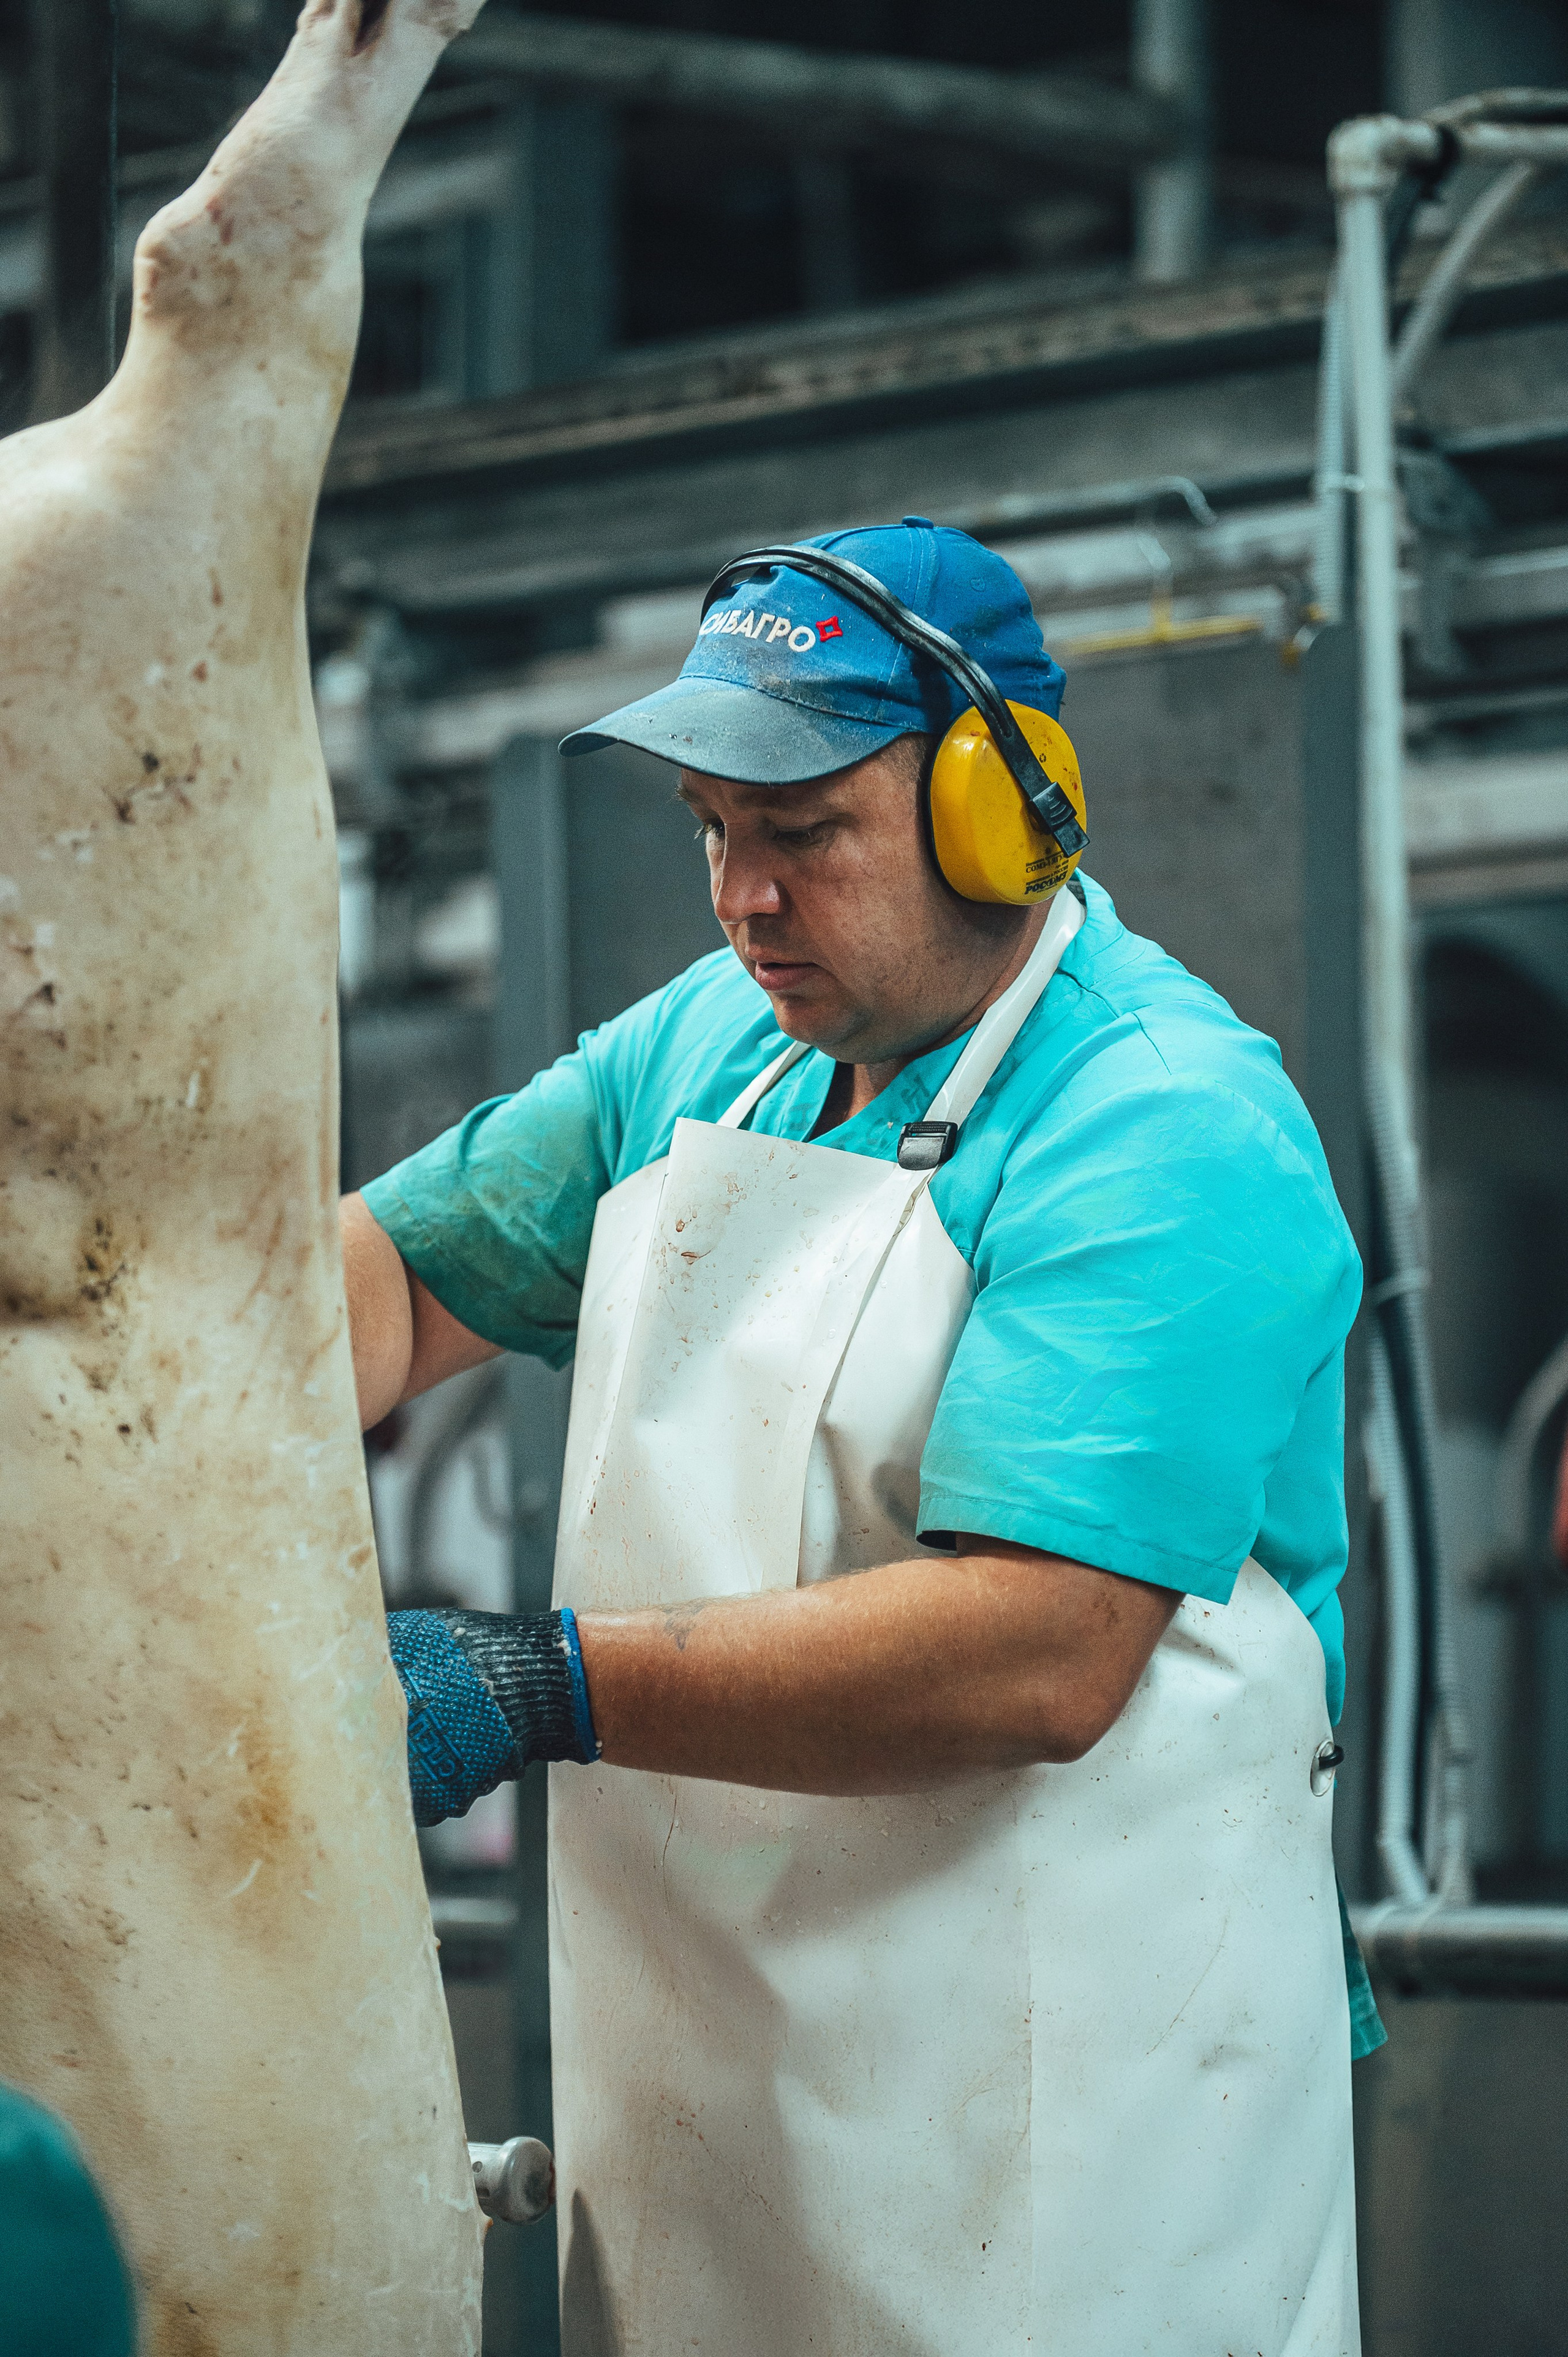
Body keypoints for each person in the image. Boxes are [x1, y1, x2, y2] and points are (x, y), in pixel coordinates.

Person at [344, 518, 1374, 2351]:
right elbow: (395, 1291)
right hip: (721, 2076)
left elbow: (1042, 1650)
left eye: (802, 832)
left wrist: (532, 1683)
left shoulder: (1161, 1121)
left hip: (1080, 2121)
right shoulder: (713, 1051)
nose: (744, 898)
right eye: (714, 836)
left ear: (1002, 808)